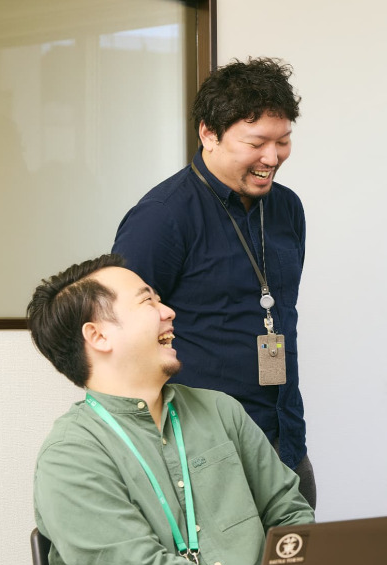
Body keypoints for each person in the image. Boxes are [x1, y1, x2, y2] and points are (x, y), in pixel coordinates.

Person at [29, 255, 315, 565]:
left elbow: (289, 513)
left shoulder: (221, 410)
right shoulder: (70, 457)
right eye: (148, 301)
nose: (168, 312)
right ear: (98, 336)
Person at [112, 57, 316, 509]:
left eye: (283, 141)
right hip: (202, 453)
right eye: (256, 143)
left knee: (300, 557)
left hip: (284, 441)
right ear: (208, 133)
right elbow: (123, 338)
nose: (272, 158)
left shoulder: (287, 208)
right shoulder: (161, 217)